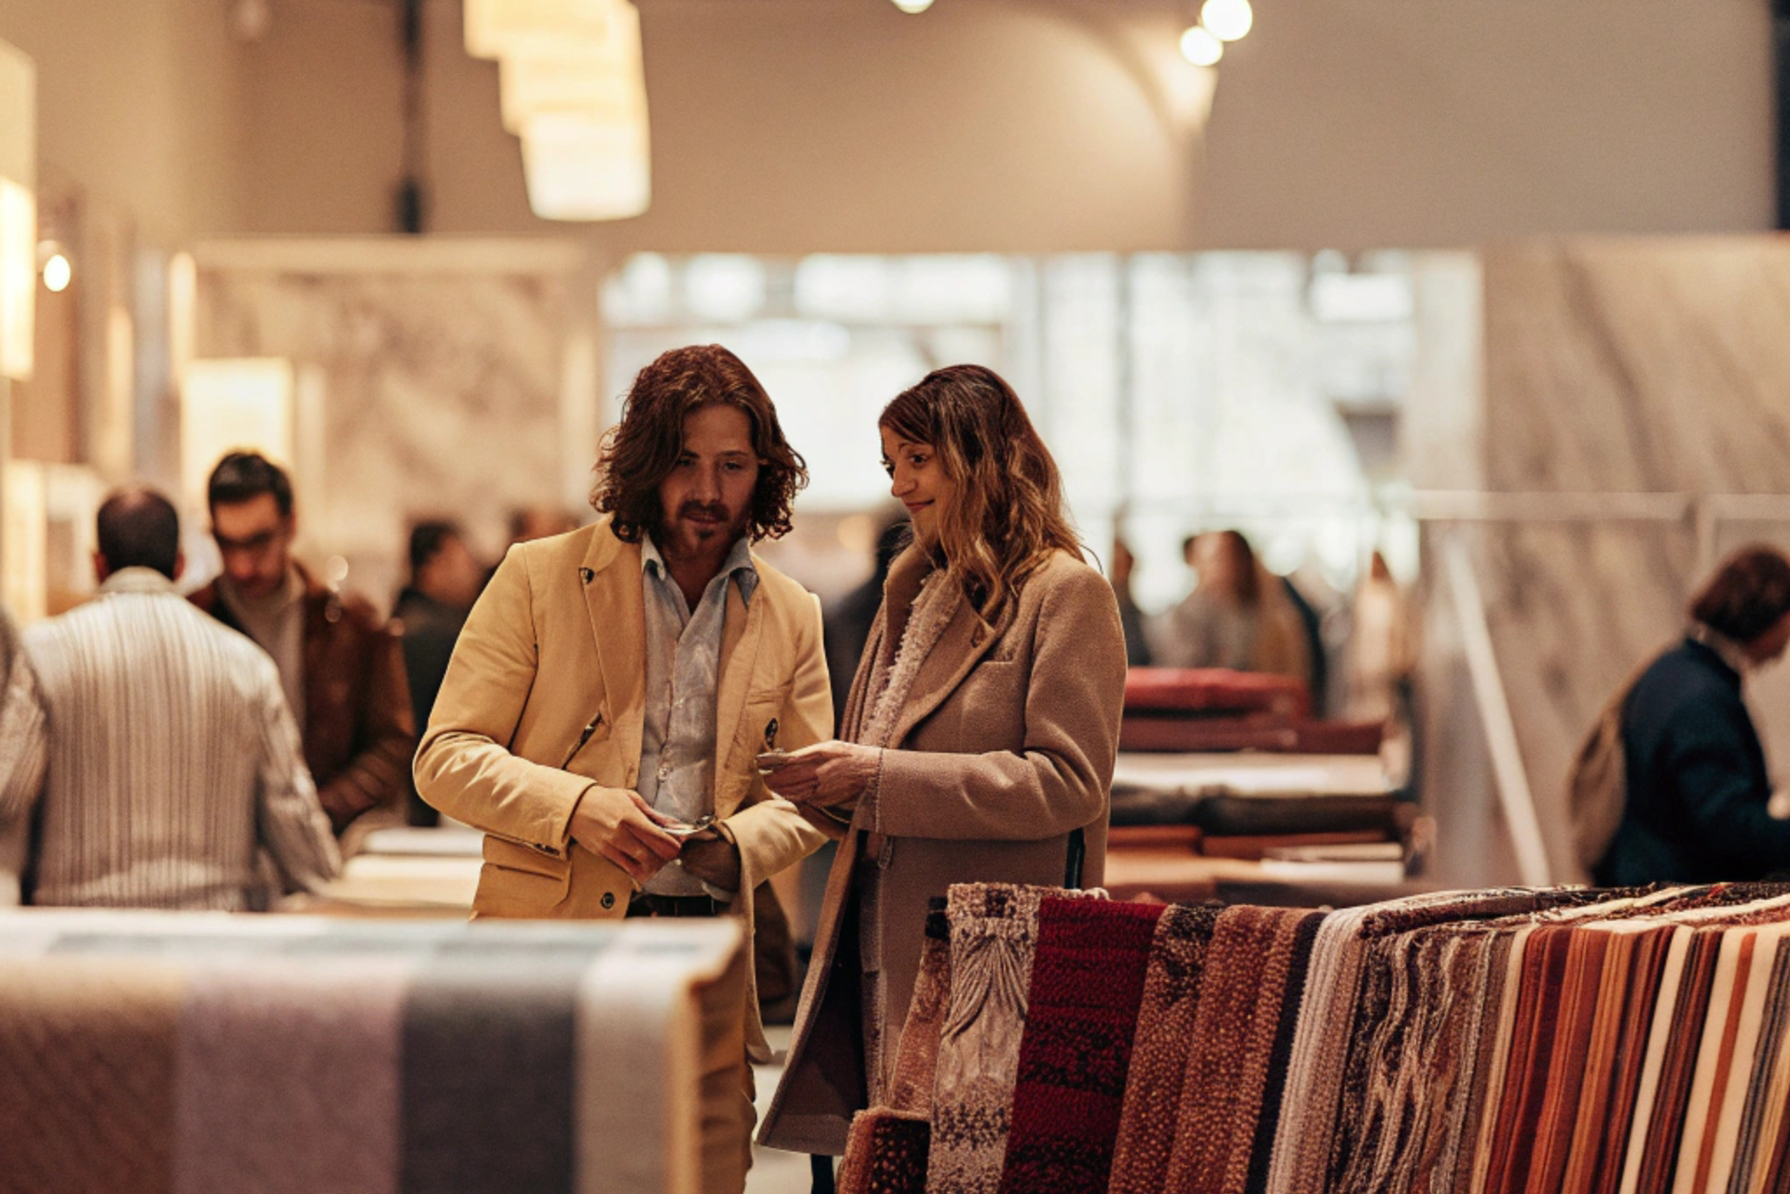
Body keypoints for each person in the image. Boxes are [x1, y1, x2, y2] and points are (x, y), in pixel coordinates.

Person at [413, 344, 833, 1194]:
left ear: (764, 474)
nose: (709, 491)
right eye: (684, 463)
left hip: (705, 957)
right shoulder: (539, 577)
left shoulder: (791, 613)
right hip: (546, 949)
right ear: (645, 462)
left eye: (733, 465)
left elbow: (809, 796)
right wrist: (578, 807)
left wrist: (734, 846)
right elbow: (445, 757)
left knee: (706, 1173)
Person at [756, 364, 1128, 1161]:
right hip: (876, 952)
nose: (900, 484)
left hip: (991, 968)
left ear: (980, 455)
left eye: (917, 459)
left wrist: (878, 778)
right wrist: (820, 788)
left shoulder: (1066, 594)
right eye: (891, 463)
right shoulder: (916, 589)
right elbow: (887, 768)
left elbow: (1068, 782)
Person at [0, 487, 340, 910]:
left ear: (97, 563)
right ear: (180, 564)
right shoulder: (247, 665)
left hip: (75, 944)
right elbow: (293, 817)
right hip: (212, 945)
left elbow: (8, 797)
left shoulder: (44, 653)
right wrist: (325, 879)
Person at [189, 452, 415, 848]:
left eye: (259, 542)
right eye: (228, 544)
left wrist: (315, 811)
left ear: (290, 526)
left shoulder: (350, 624)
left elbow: (393, 743)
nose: (243, 566)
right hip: (213, 845)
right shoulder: (190, 620)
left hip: (327, 844)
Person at [1593, 545, 1790, 886]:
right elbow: (1726, 826)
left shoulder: (1674, 668)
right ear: (1772, 616)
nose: (1785, 643)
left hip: (1647, 874)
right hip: (1671, 893)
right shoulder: (1700, 699)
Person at [393, 520, 485, 826]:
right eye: (464, 558)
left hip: (410, 800)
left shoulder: (400, 621)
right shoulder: (439, 635)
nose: (473, 570)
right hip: (434, 803)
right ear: (433, 563)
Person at [1152, 529, 1312, 690]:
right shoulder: (1186, 614)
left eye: (1229, 558)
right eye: (1215, 559)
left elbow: (1291, 674)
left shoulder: (1271, 616)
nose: (1224, 567)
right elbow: (1180, 670)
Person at [1111, 534, 1152, 667]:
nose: (1121, 571)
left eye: (1125, 564)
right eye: (1117, 564)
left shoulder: (1136, 611)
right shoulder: (1102, 609)